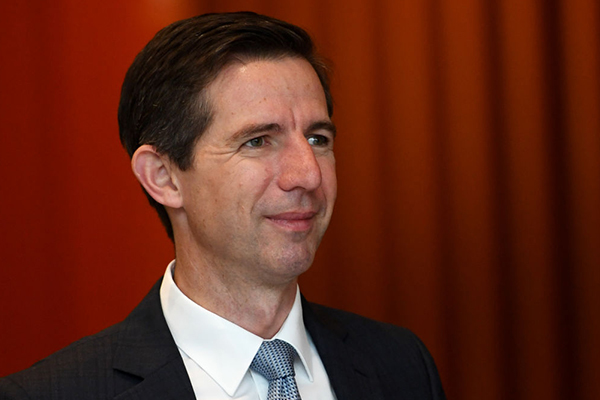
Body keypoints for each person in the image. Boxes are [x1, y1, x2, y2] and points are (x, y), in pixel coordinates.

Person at [0, 12, 445, 400]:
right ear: (164, 177)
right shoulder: (55, 392)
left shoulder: (400, 365)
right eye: (258, 141)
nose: (308, 175)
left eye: (317, 138)